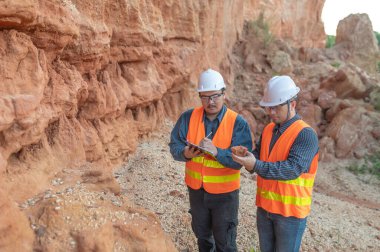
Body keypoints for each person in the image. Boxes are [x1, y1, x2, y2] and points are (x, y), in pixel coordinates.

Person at [232, 75, 319, 252]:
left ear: (292, 104)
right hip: (265, 209)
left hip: (290, 215)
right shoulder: (269, 129)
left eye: (276, 107)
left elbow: (291, 169)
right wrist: (248, 155)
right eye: (268, 108)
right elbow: (261, 156)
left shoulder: (305, 134)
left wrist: (255, 164)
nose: (270, 112)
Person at [169, 68, 253, 252]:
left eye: (215, 96)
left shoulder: (238, 123)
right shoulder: (188, 118)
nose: (211, 102)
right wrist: (185, 153)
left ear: (224, 93)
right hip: (197, 193)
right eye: (205, 97)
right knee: (203, 239)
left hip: (225, 196)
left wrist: (217, 152)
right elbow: (173, 147)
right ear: (200, 96)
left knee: (225, 243)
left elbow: (242, 161)